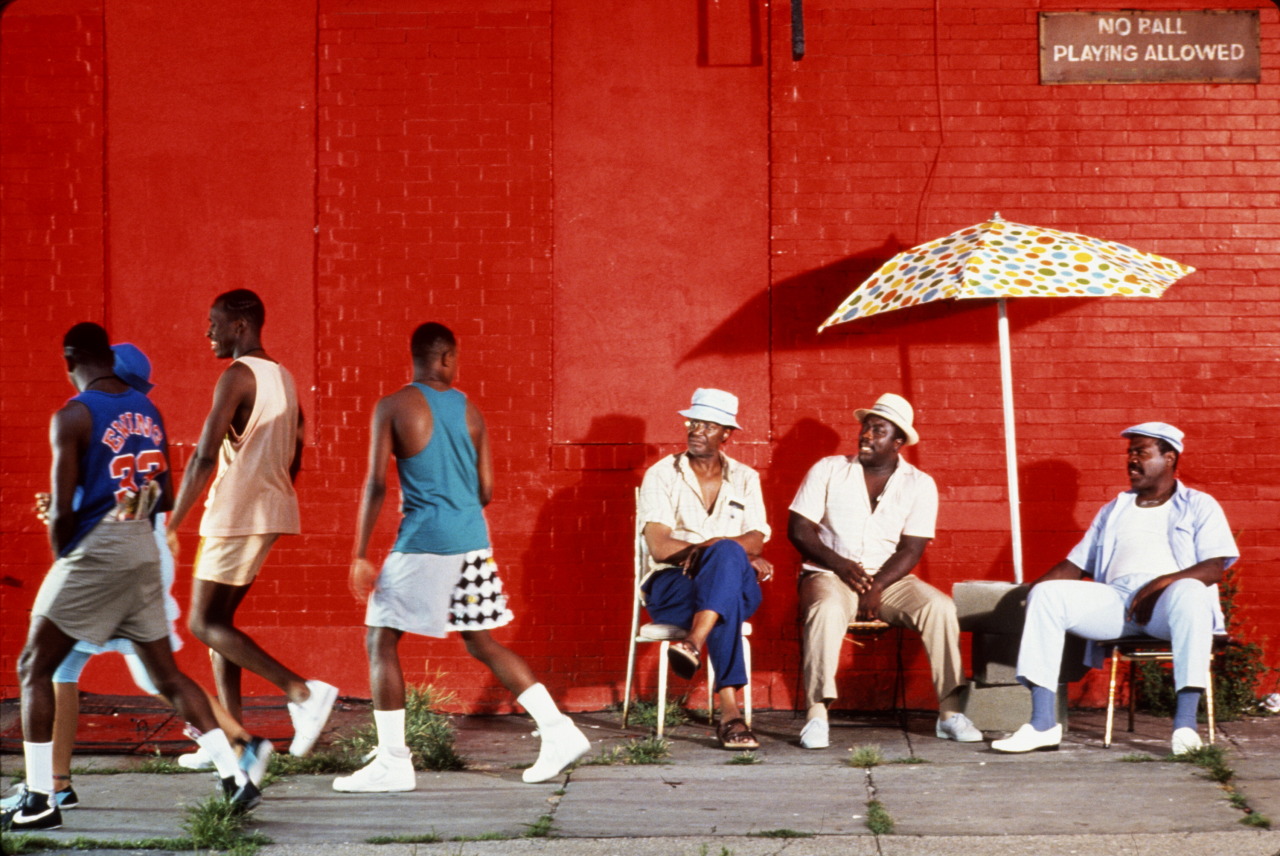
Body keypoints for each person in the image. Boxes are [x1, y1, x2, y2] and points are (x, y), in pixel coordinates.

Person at [3, 324, 258, 833]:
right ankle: (235, 775)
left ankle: (39, 798)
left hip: (96, 551)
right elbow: (160, 492)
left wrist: (65, 559)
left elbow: (63, 513)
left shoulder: (72, 415)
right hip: (143, 542)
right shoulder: (147, 412)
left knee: (34, 665)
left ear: (70, 358)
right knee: (164, 673)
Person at [338, 322, 589, 792]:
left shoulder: (392, 406)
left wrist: (358, 553)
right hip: (473, 538)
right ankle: (559, 731)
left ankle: (394, 761)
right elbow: (487, 490)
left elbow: (375, 484)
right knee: (480, 640)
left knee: (380, 640)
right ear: (447, 358)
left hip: (426, 540)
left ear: (415, 357)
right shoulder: (471, 411)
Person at [993, 423, 1237, 756]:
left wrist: (1159, 583)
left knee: (1192, 590)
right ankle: (1042, 724)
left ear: (1169, 458)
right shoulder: (1114, 510)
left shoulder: (1198, 504)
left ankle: (1184, 728)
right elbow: (1075, 565)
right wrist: (1027, 595)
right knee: (1047, 596)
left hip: (1170, 604)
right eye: (1129, 453)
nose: (1132, 460)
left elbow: (1213, 567)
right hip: (1117, 603)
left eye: (1141, 452)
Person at [165, 289, 336, 757]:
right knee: (221, 625)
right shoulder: (284, 376)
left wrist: (172, 522)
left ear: (239, 326)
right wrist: (273, 487)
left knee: (202, 621)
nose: (208, 332)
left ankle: (302, 691)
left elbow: (203, 455)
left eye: (214, 322)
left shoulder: (237, 376)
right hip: (268, 508)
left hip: (236, 511)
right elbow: (297, 448)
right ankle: (232, 740)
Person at [788, 393, 980, 749]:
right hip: (830, 575)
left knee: (940, 608)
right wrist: (841, 566)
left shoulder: (919, 484)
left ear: (898, 441)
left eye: (878, 430)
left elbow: (912, 548)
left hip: (889, 579)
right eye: (865, 428)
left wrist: (875, 586)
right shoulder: (828, 469)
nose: (866, 435)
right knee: (826, 610)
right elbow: (798, 528)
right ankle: (817, 716)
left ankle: (950, 714)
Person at [638, 388, 773, 750]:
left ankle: (693, 642)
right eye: (692, 422)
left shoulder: (745, 477)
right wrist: (724, 550)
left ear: (726, 433)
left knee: (726, 564)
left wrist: (725, 552)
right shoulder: (662, 474)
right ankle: (730, 713)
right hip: (672, 586)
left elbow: (757, 539)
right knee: (725, 583)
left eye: (708, 425)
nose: (696, 430)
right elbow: (660, 546)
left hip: (722, 585)